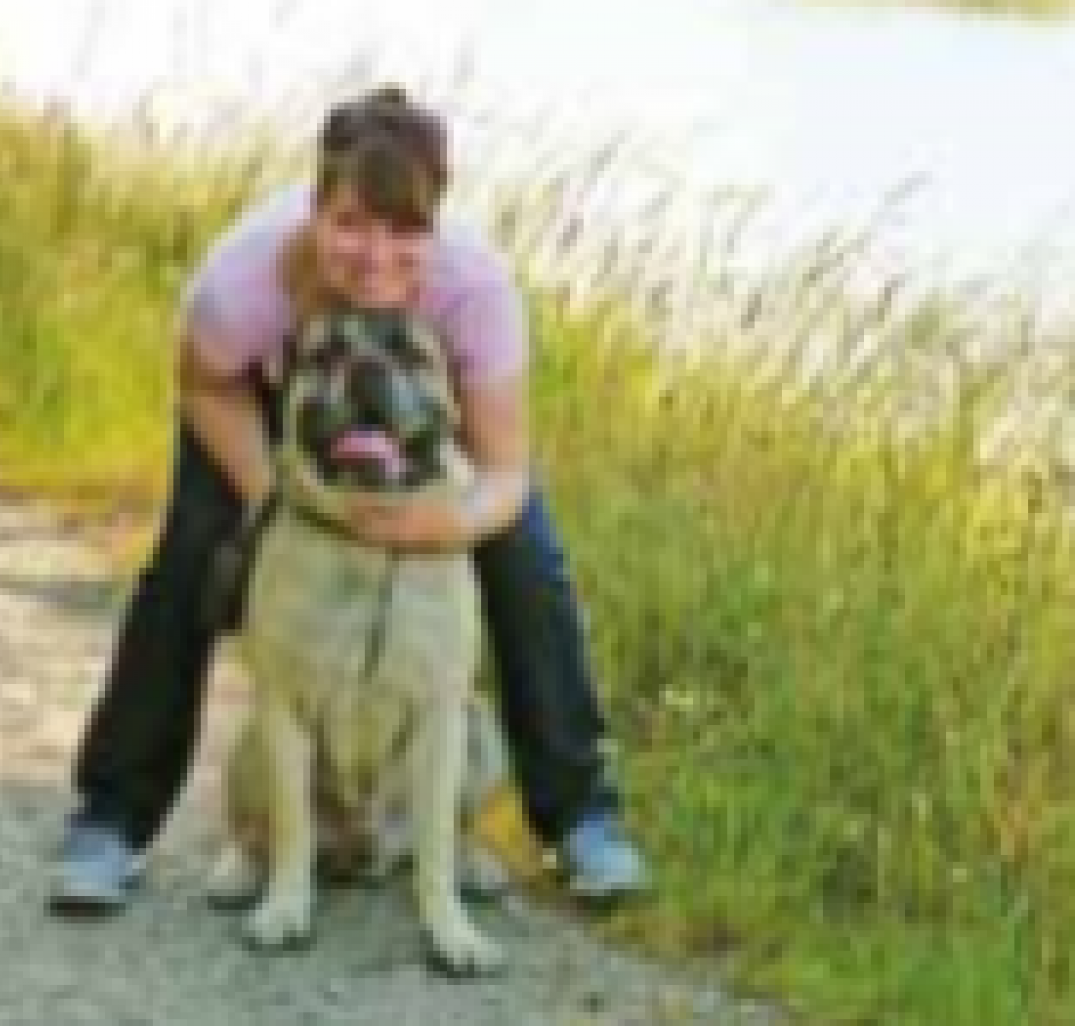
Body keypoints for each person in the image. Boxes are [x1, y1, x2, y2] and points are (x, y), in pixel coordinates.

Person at [48, 84, 648, 916]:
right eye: (351, 225)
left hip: (414, 419)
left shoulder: (473, 292)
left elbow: (504, 472)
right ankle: (112, 818)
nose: (375, 257)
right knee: (194, 547)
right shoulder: (244, 281)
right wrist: (269, 496)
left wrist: (450, 519)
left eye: (406, 231)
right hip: (271, 411)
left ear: (437, 220)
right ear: (314, 205)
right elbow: (205, 385)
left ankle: (579, 817)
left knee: (524, 556)